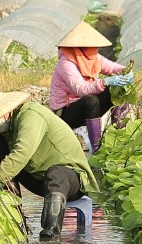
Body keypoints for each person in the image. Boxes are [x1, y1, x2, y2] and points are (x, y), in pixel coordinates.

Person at [0, 82, 97, 237]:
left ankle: (50, 235)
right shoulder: (4, 132)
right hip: (40, 181)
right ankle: (14, 220)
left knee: (55, 174)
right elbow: (6, 167)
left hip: (71, 181)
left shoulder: (31, 115)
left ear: (5, 111)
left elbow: (21, 153)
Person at [48, 19, 130, 152]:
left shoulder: (94, 58)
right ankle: (96, 148)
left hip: (88, 110)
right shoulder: (66, 63)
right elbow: (81, 89)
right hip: (66, 113)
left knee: (120, 89)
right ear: (80, 47)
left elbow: (112, 67)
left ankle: (118, 135)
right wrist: (105, 82)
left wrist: (126, 72)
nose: (94, 50)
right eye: (90, 46)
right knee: (91, 100)